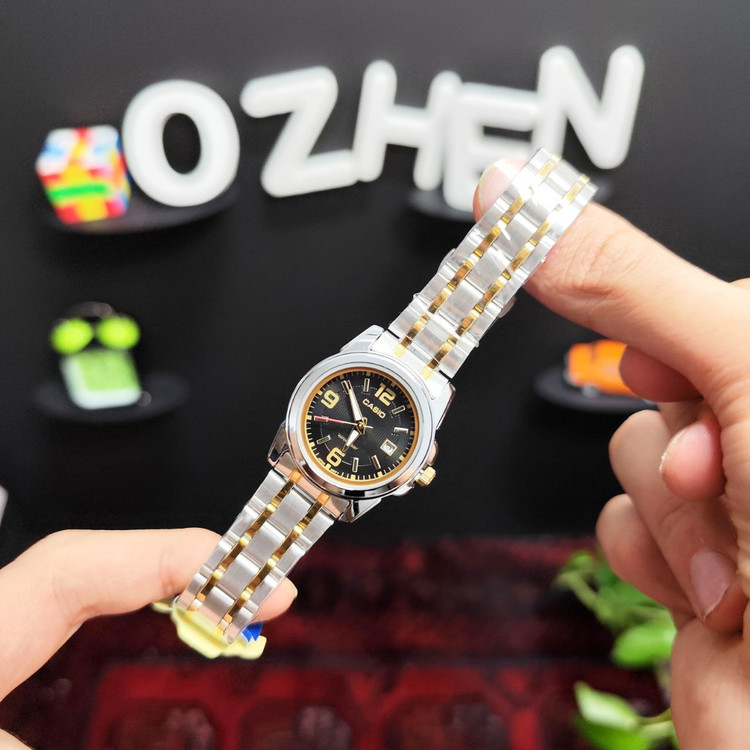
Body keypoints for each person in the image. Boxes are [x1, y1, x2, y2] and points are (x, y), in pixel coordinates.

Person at [1, 158, 748, 748]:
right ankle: (217, 602)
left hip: (345, 462)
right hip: (319, 452)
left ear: (414, 466)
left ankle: (221, 602)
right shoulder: (359, 390)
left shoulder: (405, 415)